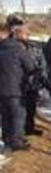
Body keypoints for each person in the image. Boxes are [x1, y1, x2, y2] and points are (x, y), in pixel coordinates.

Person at [0, 21, 37, 151]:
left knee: (5, 116)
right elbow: (31, 67)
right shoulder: (19, 50)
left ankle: (7, 140)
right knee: (18, 115)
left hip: (2, 90)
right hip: (16, 89)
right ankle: (17, 142)